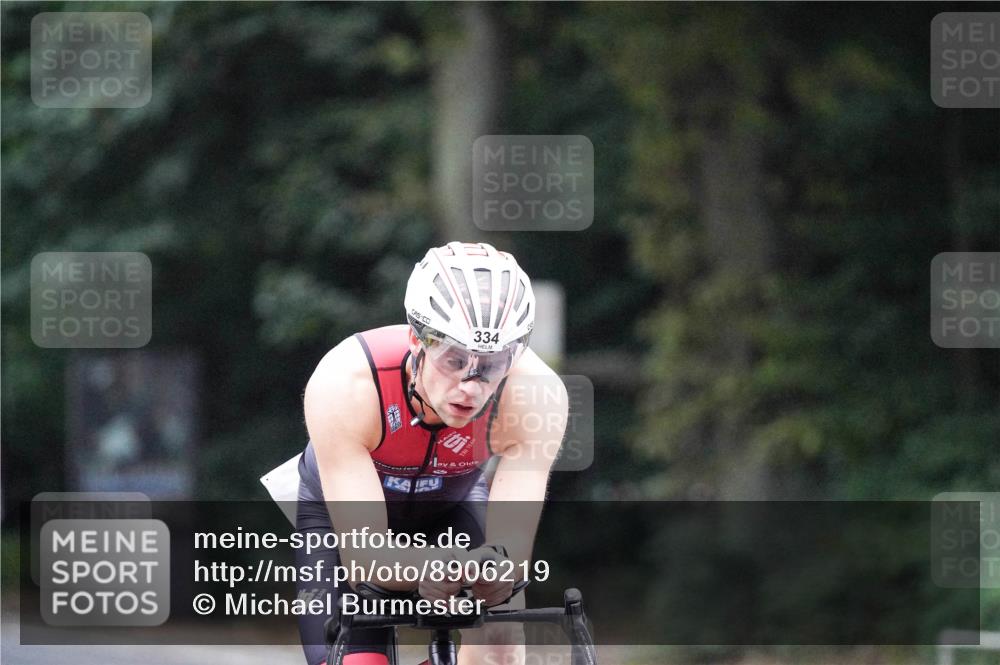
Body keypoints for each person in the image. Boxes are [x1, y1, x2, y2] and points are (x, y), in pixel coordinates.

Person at [295, 241, 569, 665]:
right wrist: (430, 568)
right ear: (416, 340)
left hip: (452, 506)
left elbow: (513, 543)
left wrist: (498, 570)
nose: (471, 385)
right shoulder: (345, 383)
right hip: (344, 523)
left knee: (500, 652)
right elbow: (366, 559)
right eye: (454, 359)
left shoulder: (537, 394)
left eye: (492, 364)